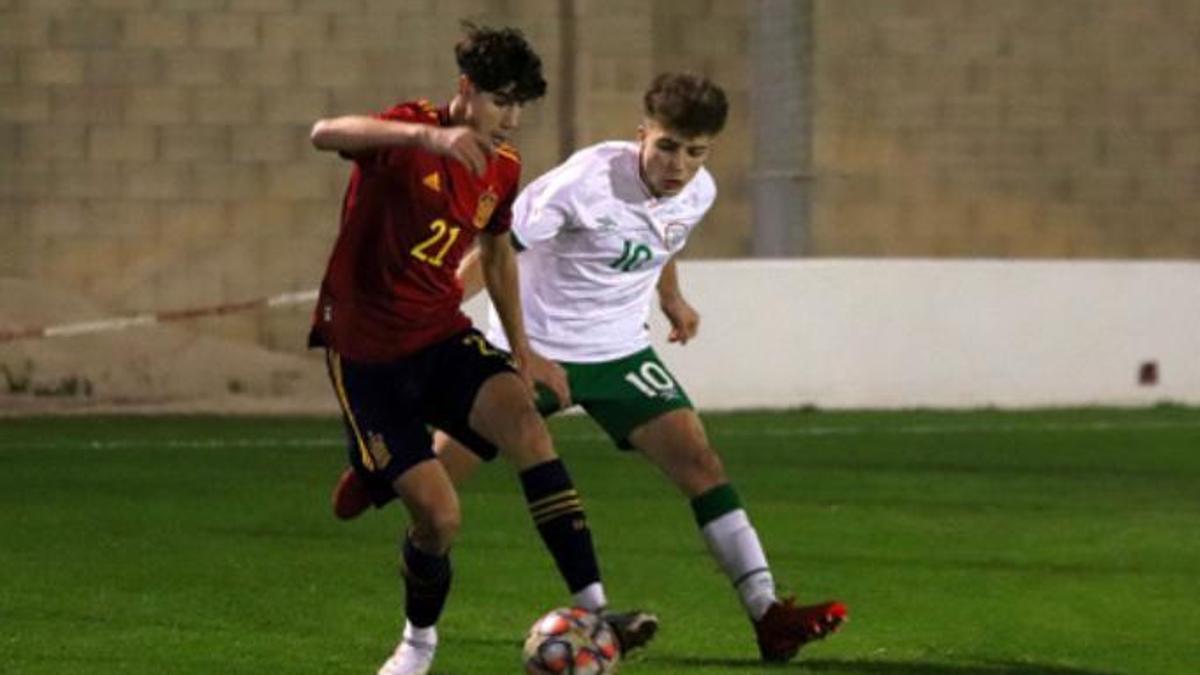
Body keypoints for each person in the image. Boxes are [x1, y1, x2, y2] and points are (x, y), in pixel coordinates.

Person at [333, 71, 847, 663]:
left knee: (701, 462)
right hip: (537, 350)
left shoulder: (698, 190)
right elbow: (492, 256)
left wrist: (670, 297)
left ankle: (768, 614)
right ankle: (376, 475)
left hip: (620, 352)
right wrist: (436, 327)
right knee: (438, 488)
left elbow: (662, 240)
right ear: (642, 136)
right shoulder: (582, 184)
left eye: (696, 152)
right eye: (668, 148)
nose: (679, 165)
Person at [308, 23, 655, 675]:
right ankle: (418, 642)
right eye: (502, 101)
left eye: (521, 105)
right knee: (439, 519)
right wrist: (426, 136)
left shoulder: (503, 164)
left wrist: (523, 349)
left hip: (440, 335)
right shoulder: (410, 131)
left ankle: (595, 607)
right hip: (367, 354)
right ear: (465, 90)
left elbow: (495, 250)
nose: (512, 119)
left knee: (524, 418)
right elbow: (324, 132)